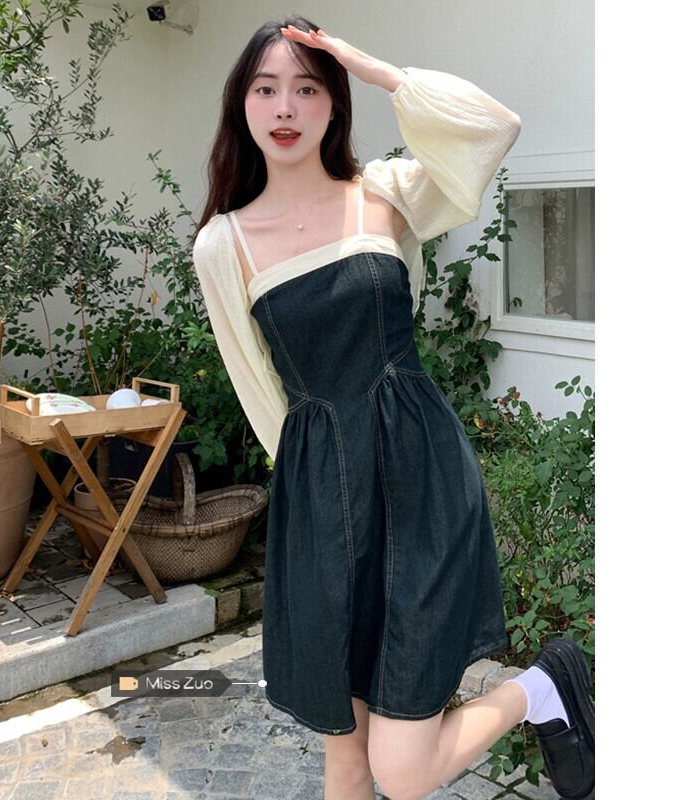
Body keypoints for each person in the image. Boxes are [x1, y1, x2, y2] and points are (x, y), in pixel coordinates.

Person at [191, 16, 594, 800]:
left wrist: (376, 70)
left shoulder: (383, 193)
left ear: (334, 104)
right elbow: (262, 395)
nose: (285, 107)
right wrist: (313, 509)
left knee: (401, 772)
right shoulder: (223, 245)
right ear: (241, 104)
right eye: (265, 89)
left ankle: (541, 686)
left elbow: (493, 128)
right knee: (346, 758)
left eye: (308, 88)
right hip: (326, 506)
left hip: (423, 487)